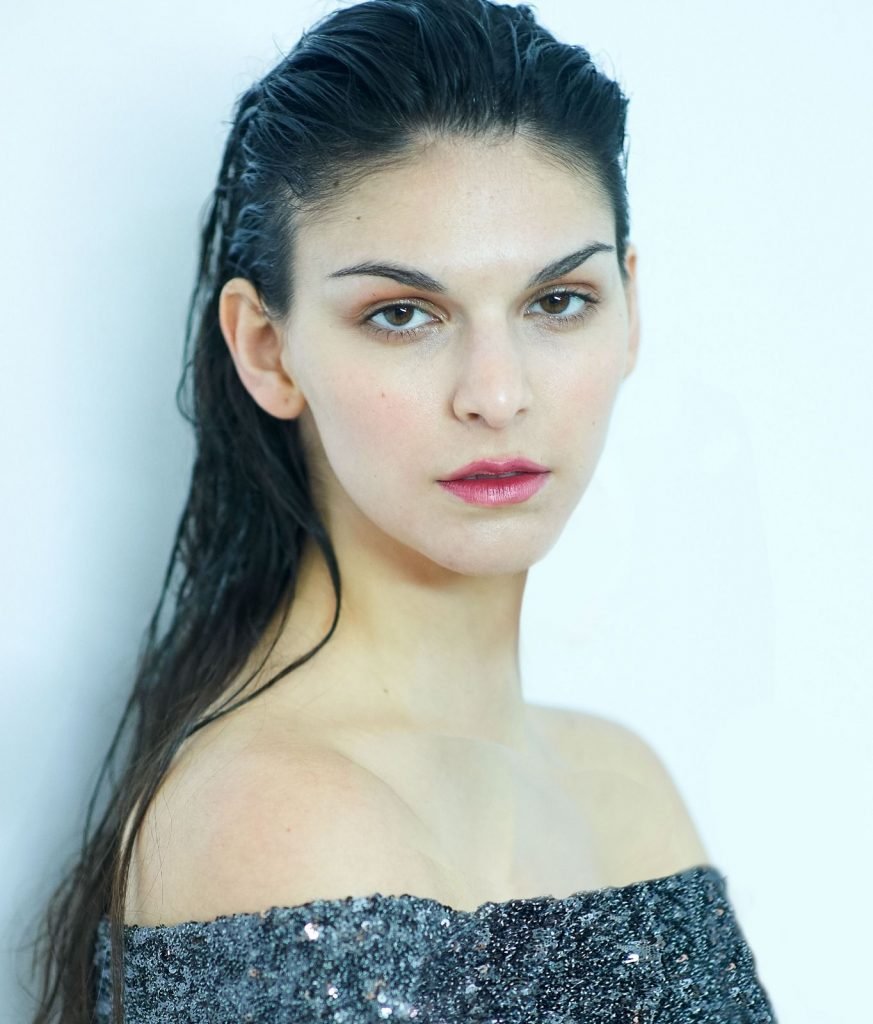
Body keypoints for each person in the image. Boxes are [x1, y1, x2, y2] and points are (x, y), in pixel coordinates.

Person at [28, 0, 778, 1020]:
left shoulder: (623, 778)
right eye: (402, 315)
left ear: (630, 307)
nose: (497, 394)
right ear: (266, 348)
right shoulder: (275, 814)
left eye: (557, 301)